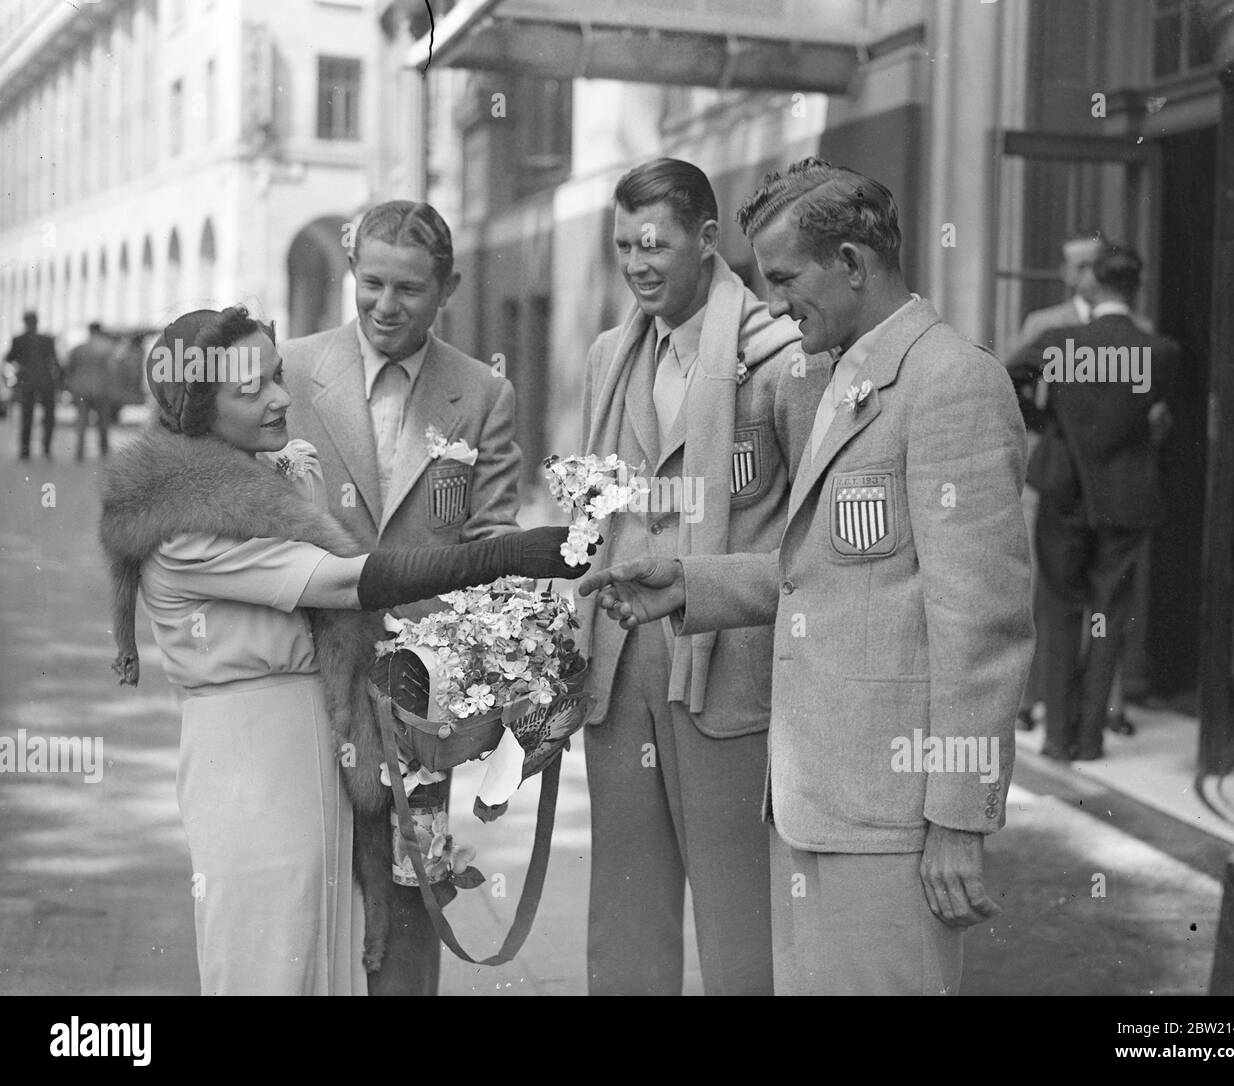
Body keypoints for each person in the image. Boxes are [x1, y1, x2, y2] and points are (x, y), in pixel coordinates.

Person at [579, 158, 1034, 995]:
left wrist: (960, 823)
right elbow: (815, 574)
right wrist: (688, 582)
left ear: (853, 264)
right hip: (813, 799)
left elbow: (983, 627)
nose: (775, 305)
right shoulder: (831, 378)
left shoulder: (952, 382)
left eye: (786, 279)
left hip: (893, 813)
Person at [99, 306, 582, 996]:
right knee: (266, 960)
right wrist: (506, 555)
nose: (281, 399)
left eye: (276, 375)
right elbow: (348, 582)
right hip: (248, 764)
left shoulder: (268, 481)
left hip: (314, 751)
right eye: (251, 390)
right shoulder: (183, 528)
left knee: (326, 959)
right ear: (199, 412)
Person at [579, 158, 826, 996]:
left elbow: (813, 551)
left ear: (709, 240)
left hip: (729, 675)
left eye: (655, 243)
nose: (638, 264)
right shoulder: (610, 357)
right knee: (625, 922)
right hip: (618, 672)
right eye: (623, 245)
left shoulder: (782, 358)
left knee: (739, 931)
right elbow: (593, 520)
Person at [282, 199, 521, 996]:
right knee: (310, 887)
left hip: (423, 693)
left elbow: (492, 540)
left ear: (446, 288)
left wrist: (478, 684)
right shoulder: (291, 371)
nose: (386, 306)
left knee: (415, 885)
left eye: (410, 290)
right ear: (352, 274)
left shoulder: (482, 393)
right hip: (306, 675)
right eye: (372, 283)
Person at [1007, 245, 1177, 761]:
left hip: (1063, 489)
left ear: (1094, 284)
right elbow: (1159, 419)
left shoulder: (1059, 342)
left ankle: (1059, 738)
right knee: (1110, 613)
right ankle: (1090, 739)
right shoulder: (1162, 352)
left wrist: (1046, 428)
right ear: (1134, 289)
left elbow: (1006, 379)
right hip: (1125, 498)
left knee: (1058, 610)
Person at [5, 310, 61, 460]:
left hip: (26, 382)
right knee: (49, 418)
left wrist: (20, 367)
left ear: (25, 322)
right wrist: (59, 380)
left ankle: (25, 451)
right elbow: (54, 361)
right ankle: (46, 448)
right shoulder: (47, 339)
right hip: (46, 382)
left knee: (27, 417)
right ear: (37, 321)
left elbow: (9, 358)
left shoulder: (18, 340)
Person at [65, 322, 116, 461]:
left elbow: (70, 368)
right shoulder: (107, 347)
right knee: (103, 420)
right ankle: (104, 450)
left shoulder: (79, 348)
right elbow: (112, 370)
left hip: (81, 388)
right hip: (100, 388)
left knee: (82, 420)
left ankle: (79, 452)